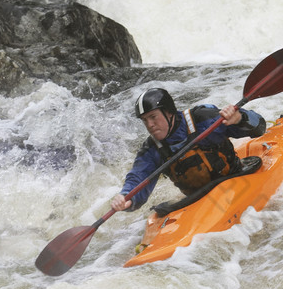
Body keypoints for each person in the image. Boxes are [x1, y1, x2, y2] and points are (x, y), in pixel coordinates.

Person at [111, 87, 266, 212]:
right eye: (145, 120)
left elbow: (259, 128)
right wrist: (126, 198)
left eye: (153, 117)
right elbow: (139, 177)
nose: (149, 125)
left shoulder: (204, 119)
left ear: (169, 113)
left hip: (235, 179)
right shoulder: (152, 150)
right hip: (198, 200)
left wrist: (239, 118)